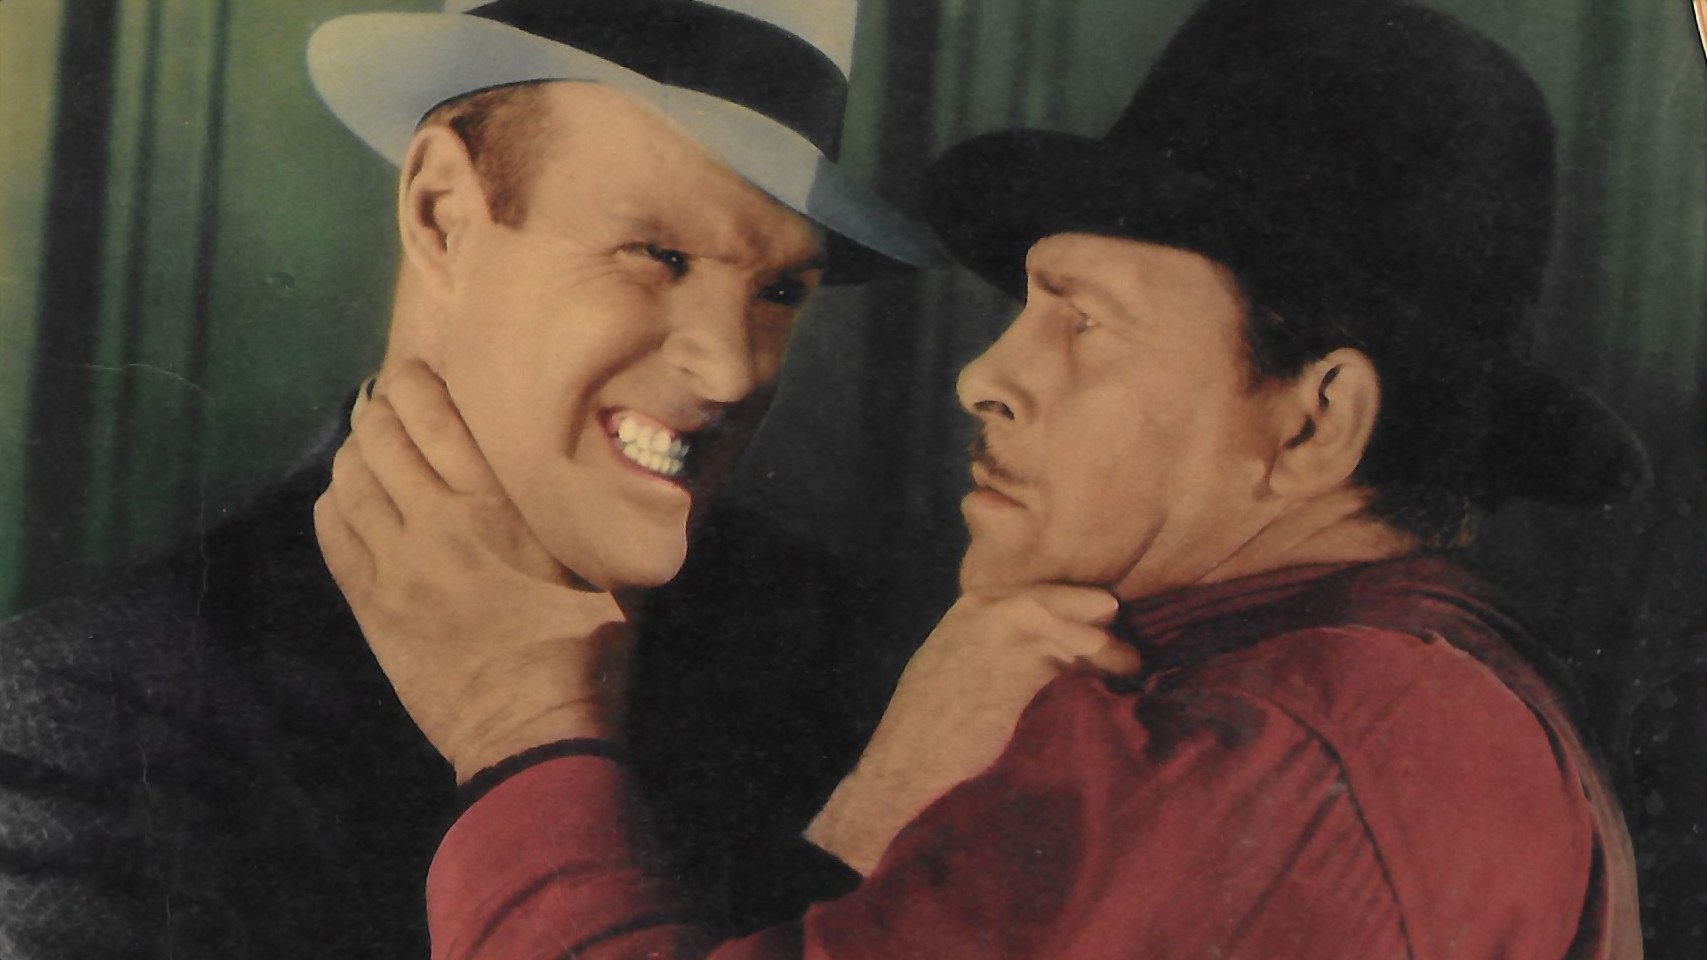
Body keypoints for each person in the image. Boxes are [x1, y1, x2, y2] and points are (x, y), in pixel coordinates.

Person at [321, 0, 1651, 956]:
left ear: (1313, 424)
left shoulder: (1289, 754)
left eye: (1081, 319)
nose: (984, 376)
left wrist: (521, 724)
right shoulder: (1326, 705)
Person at [0, 1, 939, 956]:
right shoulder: (85, 719)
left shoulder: (845, 664)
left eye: (778, 292)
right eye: (659, 257)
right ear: (442, 215)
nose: (733, 371)